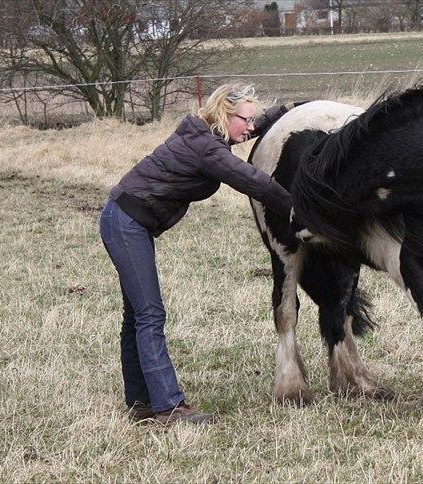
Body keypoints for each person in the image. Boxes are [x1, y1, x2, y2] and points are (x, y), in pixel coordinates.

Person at [99, 83, 295, 425]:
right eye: (246, 120)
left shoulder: (208, 135)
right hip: (125, 223)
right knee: (149, 315)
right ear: (224, 113)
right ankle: (169, 408)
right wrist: (298, 207)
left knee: (138, 316)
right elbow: (252, 180)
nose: (251, 128)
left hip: (128, 221)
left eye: (252, 121)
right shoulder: (205, 147)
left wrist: (289, 108)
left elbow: (250, 127)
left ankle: (141, 402)